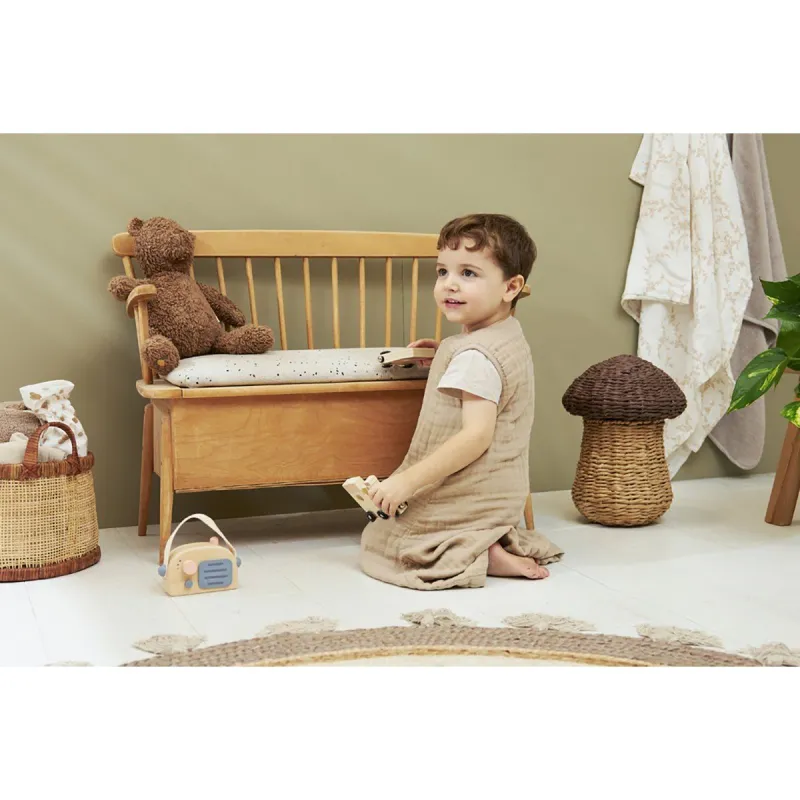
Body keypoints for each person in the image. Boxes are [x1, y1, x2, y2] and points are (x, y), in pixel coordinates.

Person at [360, 213, 563, 591]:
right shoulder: (503, 336)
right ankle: (488, 541)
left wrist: (405, 482)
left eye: (468, 273)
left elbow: (475, 437)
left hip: (473, 492)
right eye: (442, 272)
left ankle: (478, 551)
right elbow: (491, 378)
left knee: (386, 539)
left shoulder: (474, 358)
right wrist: (443, 354)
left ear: (511, 287)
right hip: (502, 490)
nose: (449, 284)